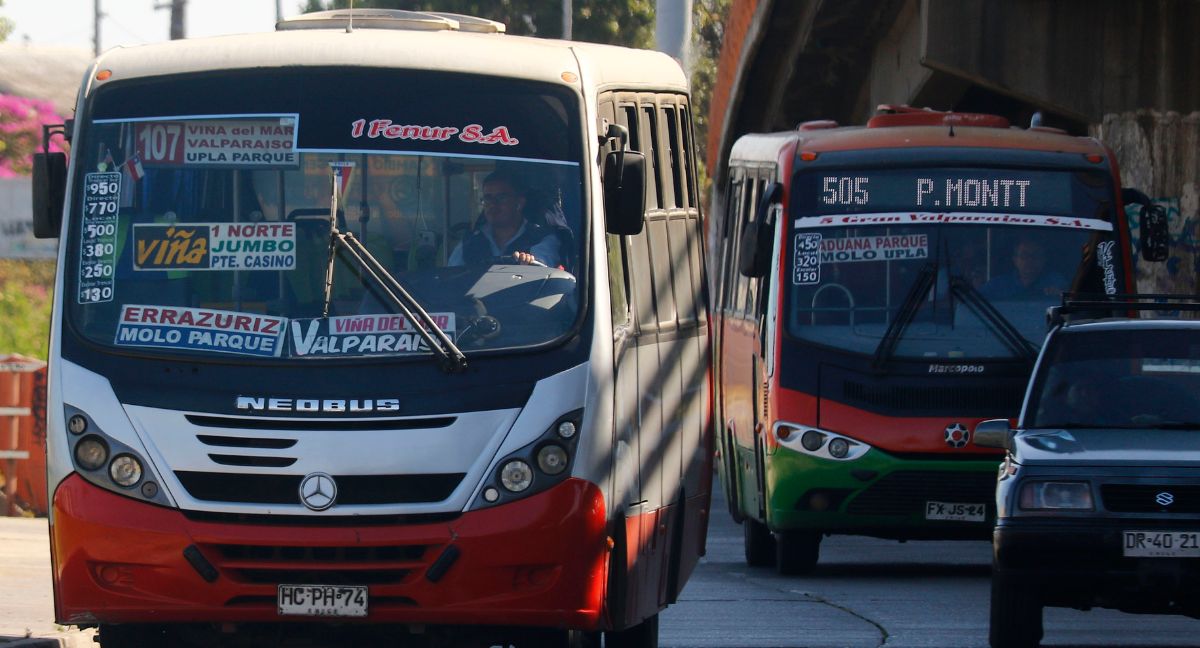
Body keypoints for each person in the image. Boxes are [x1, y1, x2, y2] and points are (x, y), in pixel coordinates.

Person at [447, 170, 561, 267]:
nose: (492, 204)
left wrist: (528, 264)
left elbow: (543, 272)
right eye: (488, 198)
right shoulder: (469, 242)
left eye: (501, 198)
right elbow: (450, 279)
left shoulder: (542, 239)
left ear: (519, 203)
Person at [980, 237, 1066, 299]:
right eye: (1024, 256)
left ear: (1044, 259)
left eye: (1035, 256)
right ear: (1015, 260)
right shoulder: (997, 285)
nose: (1030, 260)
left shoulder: (1057, 282)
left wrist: (1059, 296)